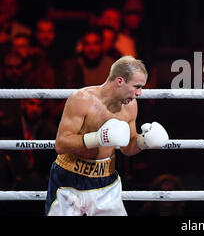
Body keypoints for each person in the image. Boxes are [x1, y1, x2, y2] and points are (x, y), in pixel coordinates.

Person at [45, 56, 170, 216]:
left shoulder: (130, 105)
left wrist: (143, 141)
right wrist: (98, 138)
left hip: (105, 182)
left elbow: (127, 148)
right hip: (69, 180)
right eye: (137, 86)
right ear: (119, 81)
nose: (139, 93)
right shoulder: (82, 99)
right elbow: (61, 144)